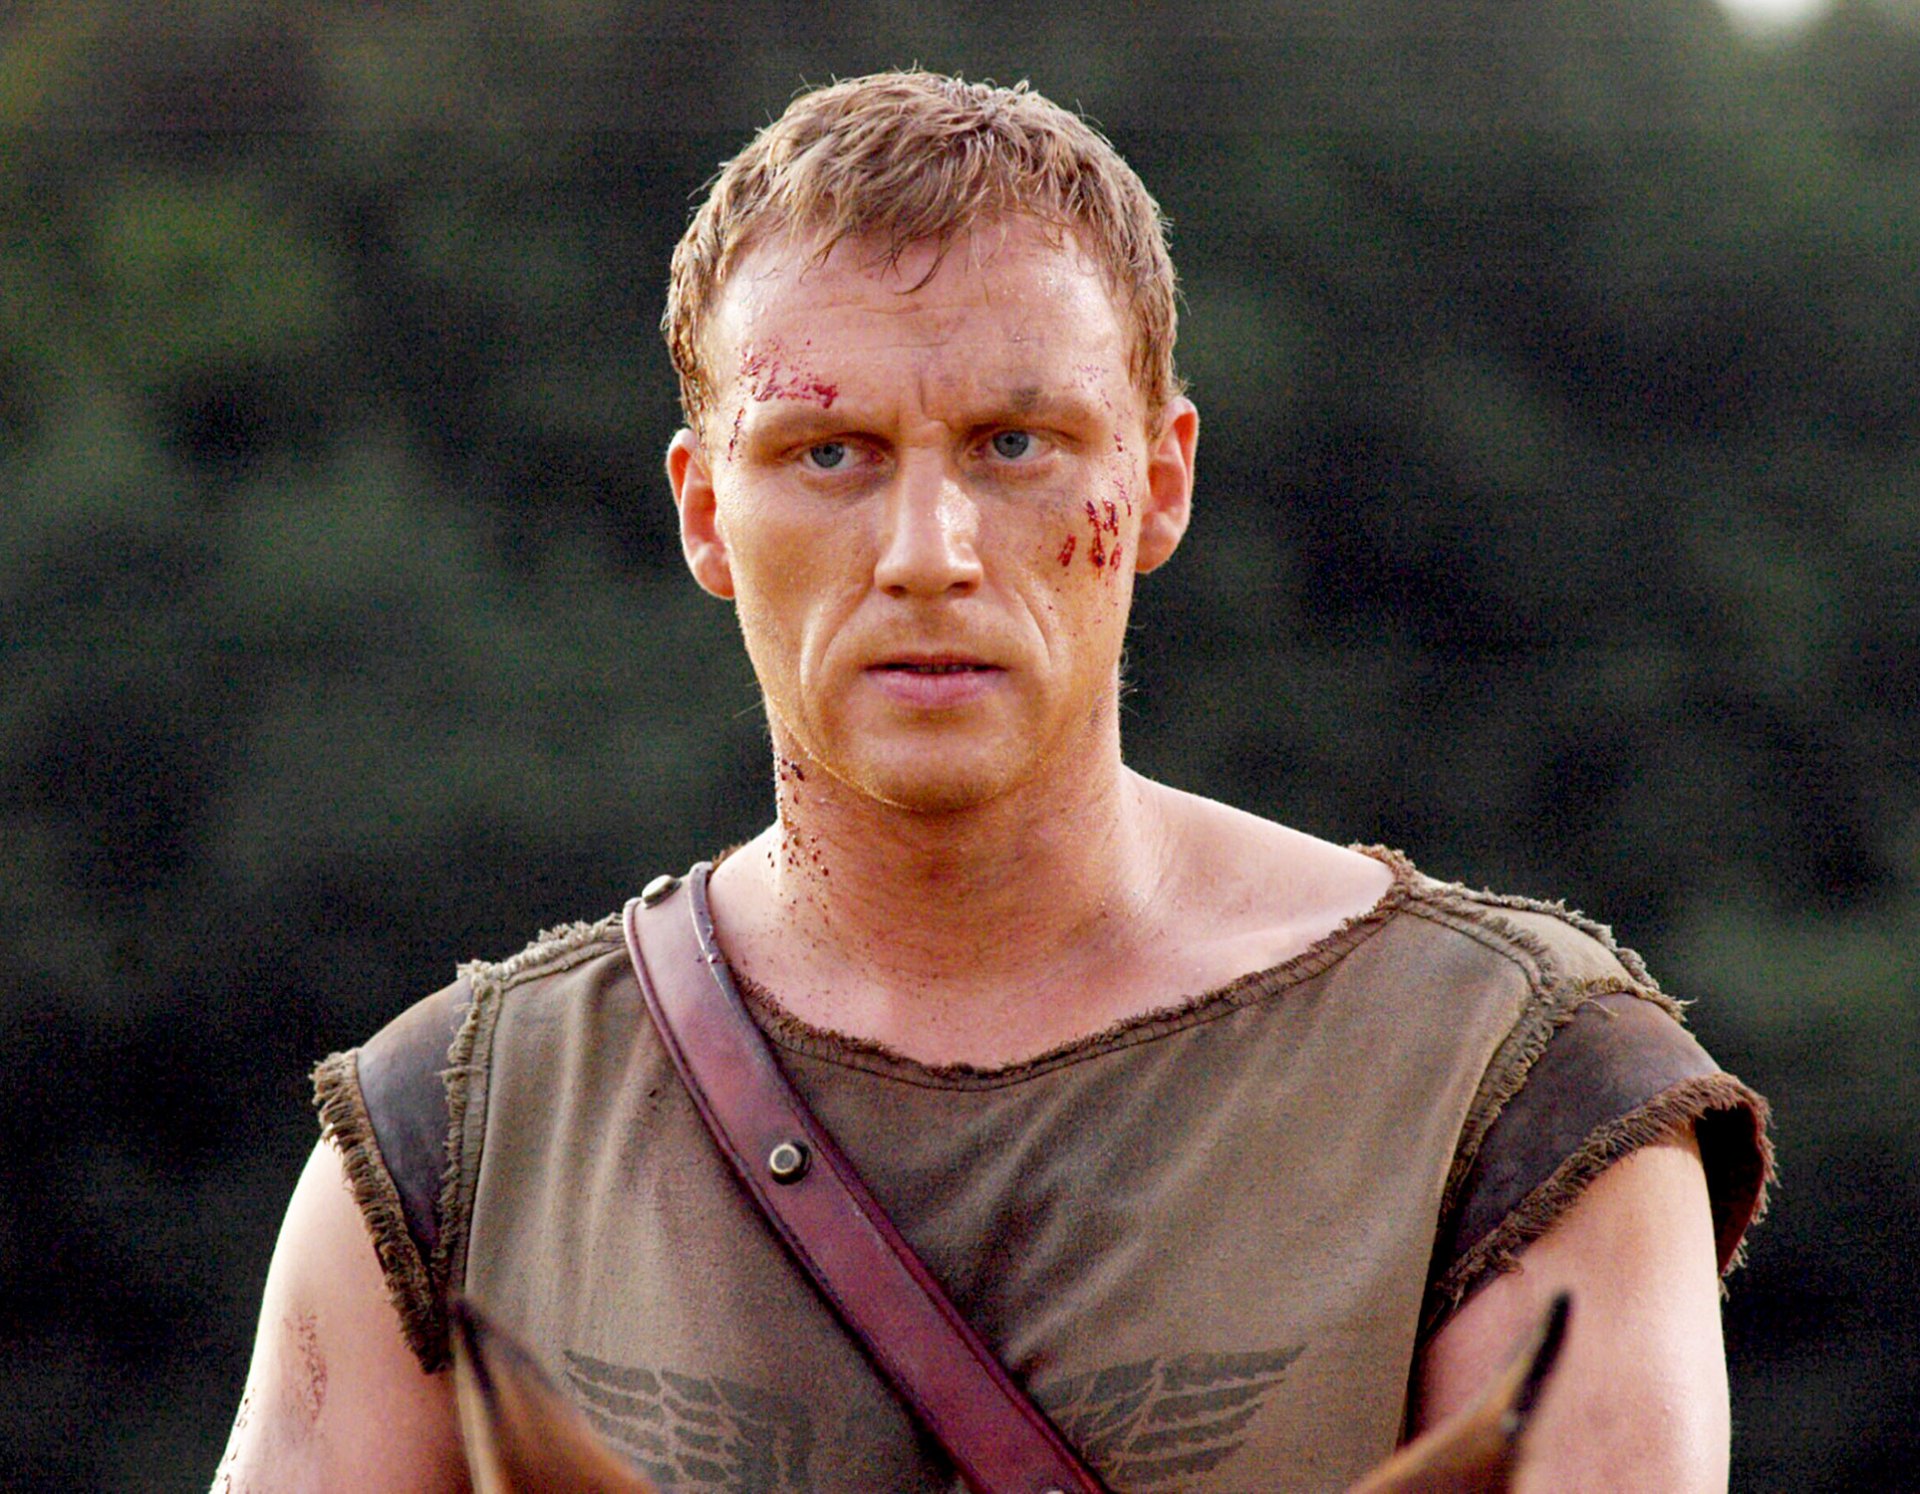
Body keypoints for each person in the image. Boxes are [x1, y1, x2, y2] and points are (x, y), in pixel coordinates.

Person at [215, 71, 1769, 1493]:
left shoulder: (1519, 1094)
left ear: (1157, 480)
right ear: (703, 512)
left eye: (1015, 443)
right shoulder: (454, 1146)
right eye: (829, 452)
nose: (927, 553)